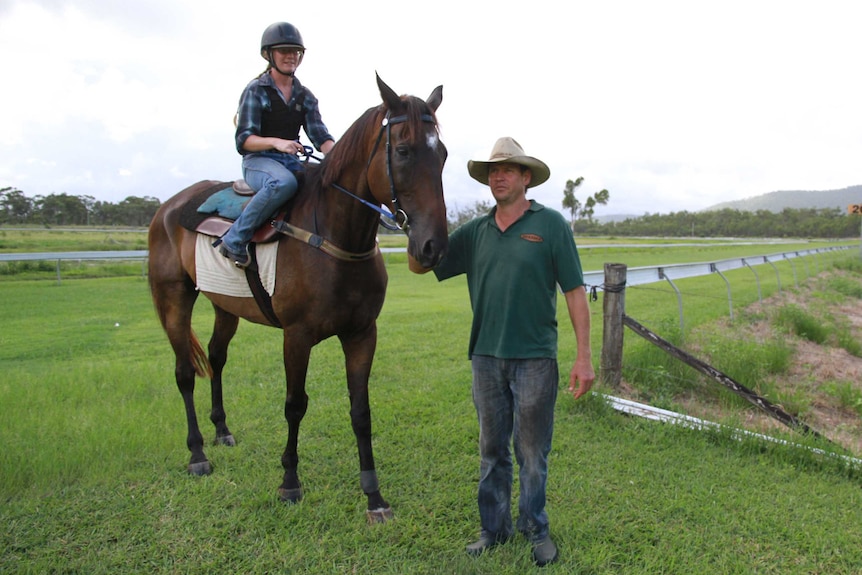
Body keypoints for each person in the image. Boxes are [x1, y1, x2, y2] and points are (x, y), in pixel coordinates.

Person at [410, 137, 595, 567]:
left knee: (532, 453)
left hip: (535, 359)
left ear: (525, 177)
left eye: (508, 169)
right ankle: (493, 529)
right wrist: (415, 227)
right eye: (493, 170)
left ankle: (536, 529)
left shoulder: (549, 226)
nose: (499, 176)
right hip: (486, 359)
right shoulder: (476, 231)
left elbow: (574, 292)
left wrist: (583, 357)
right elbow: (422, 264)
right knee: (492, 451)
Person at [218, 21, 336, 268]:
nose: (290, 56)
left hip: (290, 161)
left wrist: (340, 160)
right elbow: (244, 140)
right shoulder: (256, 90)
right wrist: (277, 143)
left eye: (295, 52)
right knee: (282, 183)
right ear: (268, 54)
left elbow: (320, 136)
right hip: (258, 162)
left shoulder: (305, 96)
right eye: (284, 51)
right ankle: (234, 239)